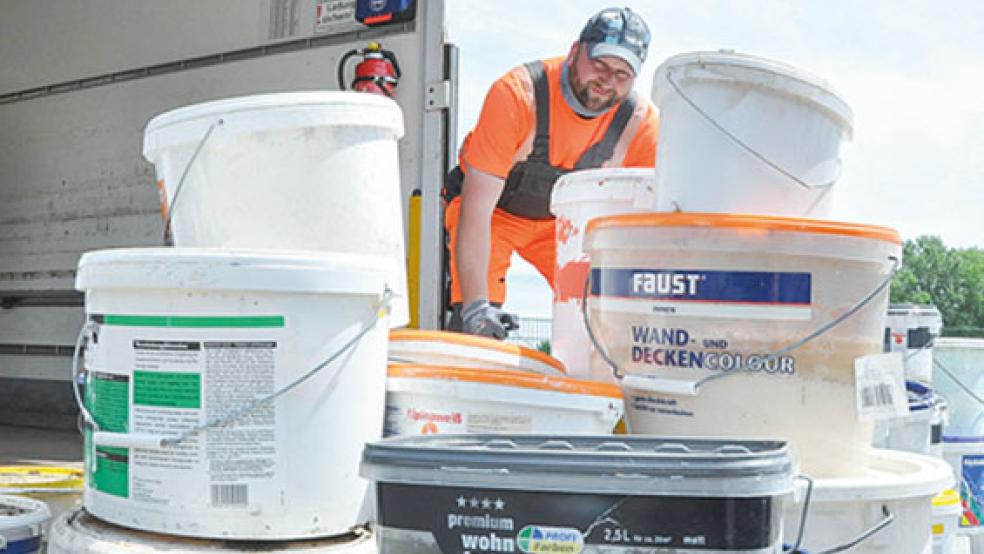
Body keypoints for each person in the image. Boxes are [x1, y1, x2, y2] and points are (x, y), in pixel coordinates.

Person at [444, 7, 660, 339]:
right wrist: (475, 309)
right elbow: (477, 208)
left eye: (622, 74)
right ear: (575, 51)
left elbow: (645, 225)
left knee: (602, 317)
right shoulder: (518, 94)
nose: (607, 81)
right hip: (492, 213)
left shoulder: (640, 125)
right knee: (476, 322)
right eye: (600, 65)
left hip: (562, 228)